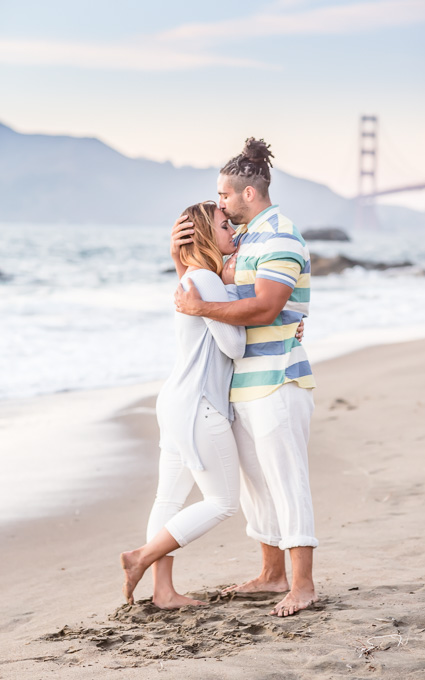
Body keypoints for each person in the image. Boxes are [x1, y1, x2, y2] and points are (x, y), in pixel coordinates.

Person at [173, 138, 318, 617]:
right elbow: (225, 288)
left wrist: (200, 306)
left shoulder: (278, 235)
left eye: (224, 196)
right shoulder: (250, 236)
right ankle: (272, 575)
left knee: (286, 480)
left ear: (248, 195)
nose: (220, 203)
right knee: (258, 485)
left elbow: (267, 305)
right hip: (246, 383)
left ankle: (303, 584)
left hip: (278, 380)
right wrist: (182, 266)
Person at [120, 201, 246, 608]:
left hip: (175, 401)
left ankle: (163, 591)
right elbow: (234, 345)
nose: (233, 231)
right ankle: (141, 556)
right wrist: (233, 295)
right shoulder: (207, 281)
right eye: (225, 225)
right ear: (207, 236)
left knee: (169, 499)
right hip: (199, 406)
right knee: (224, 501)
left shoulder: (194, 276)